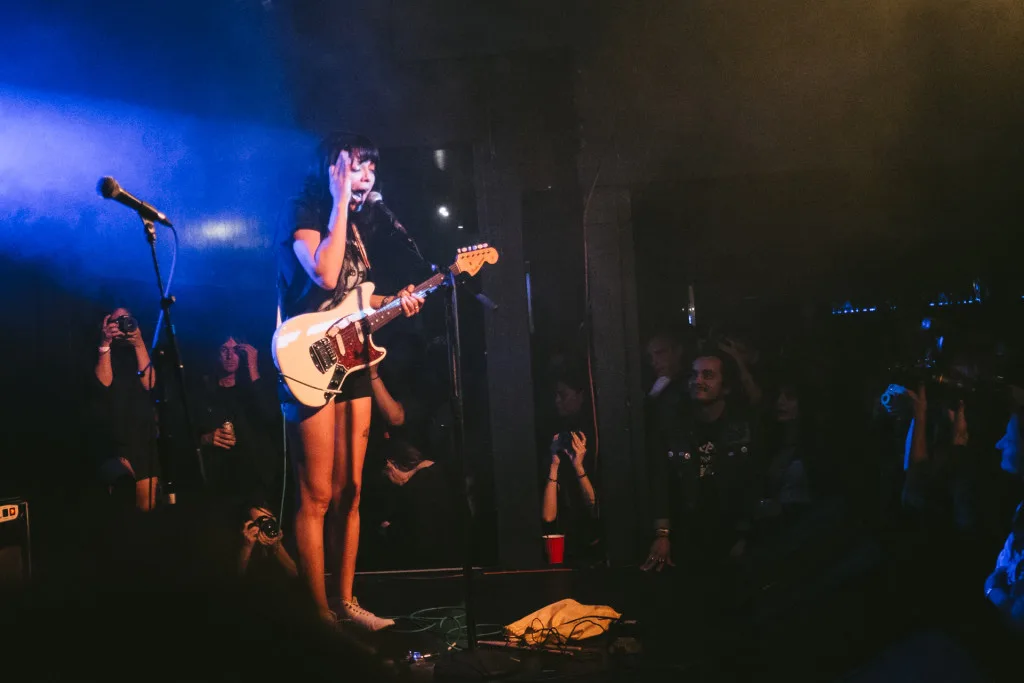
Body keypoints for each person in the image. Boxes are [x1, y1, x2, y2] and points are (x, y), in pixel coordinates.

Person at [278, 133, 424, 630]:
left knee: (351, 491)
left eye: (371, 168)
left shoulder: (358, 227)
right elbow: (323, 275)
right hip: (309, 361)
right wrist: (339, 202)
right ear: (331, 169)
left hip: (353, 361)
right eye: (356, 166)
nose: (366, 176)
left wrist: (395, 301)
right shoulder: (305, 213)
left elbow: (352, 299)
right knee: (316, 495)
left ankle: (346, 601)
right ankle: (317, 614)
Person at [643, 351, 759, 572]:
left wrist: (746, 536)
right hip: (687, 536)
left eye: (707, 375)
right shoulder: (675, 427)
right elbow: (661, 480)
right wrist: (662, 534)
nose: (698, 381)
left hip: (731, 538)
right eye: (694, 374)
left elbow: (752, 484)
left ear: (725, 386)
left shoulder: (742, 429)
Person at [195, 335, 281, 511]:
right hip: (221, 481)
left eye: (235, 351)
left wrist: (253, 367)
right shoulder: (203, 393)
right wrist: (206, 439)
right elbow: (186, 432)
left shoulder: (253, 389)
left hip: (256, 480)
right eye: (224, 350)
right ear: (216, 354)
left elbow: (270, 415)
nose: (230, 356)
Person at [90, 307, 159, 512]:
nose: (122, 325)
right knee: (121, 512)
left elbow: (150, 383)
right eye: (116, 321)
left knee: (147, 513)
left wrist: (139, 343)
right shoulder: (101, 351)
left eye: (126, 320)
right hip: (115, 444)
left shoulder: (139, 351)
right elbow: (104, 383)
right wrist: (105, 343)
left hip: (143, 443)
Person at [541, 372, 602, 566]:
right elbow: (548, 516)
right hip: (567, 544)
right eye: (555, 395)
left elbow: (596, 510)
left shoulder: (597, 436)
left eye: (563, 394)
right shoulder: (557, 439)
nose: (557, 401)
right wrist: (554, 464)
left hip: (595, 545)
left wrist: (578, 466)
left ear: (580, 395)